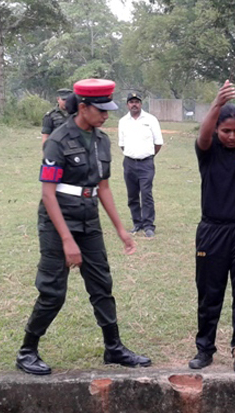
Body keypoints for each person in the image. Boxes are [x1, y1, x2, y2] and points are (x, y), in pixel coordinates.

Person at [16, 79, 151, 375]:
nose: (106, 115)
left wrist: (120, 228)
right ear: (83, 107)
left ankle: (113, 348)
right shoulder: (58, 140)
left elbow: (103, 187)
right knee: (53, 291)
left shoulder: (102, 140)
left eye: (108, 110)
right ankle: (27, 351)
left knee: (102, 284)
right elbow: (48, 194)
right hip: (57, 221)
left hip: (89, 219)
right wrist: (67, 240)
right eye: (100, 110)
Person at [189, 79, 235, 373]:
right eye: (226, 131)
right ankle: (204, 349)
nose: (232, 136)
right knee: (209, 292)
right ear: (217, 130)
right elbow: (204, 134)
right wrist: (216, 104)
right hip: (212, 231)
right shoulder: (207, 150)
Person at [118, 92, 164, 238]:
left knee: (146, 194)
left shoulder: (150, 120)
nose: (134, 104)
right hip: (129, 163)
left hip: (146, 163)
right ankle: (137, 223)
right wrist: (134, 155)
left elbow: (158, 143)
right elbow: (122, 145)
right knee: (132, 195)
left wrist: (148, 155)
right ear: (127, 105)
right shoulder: (123, 121)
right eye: (131, 102)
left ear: (141, 103)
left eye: (137, 101)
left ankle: (149, 225)